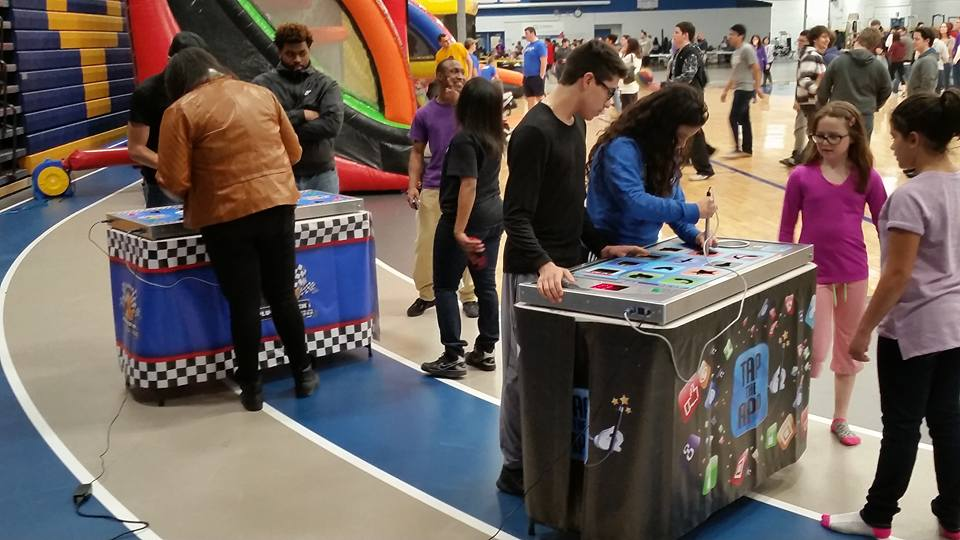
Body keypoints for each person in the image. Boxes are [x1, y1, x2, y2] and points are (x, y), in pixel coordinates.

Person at [497, 41, 643, 495]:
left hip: (569, 270)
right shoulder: (533, 133)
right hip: (532, 273)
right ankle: (514, 466)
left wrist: (602, 245)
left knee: (562, 372)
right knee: (522, 372)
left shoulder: (576, 124)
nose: (609, 102)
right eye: (609, 91)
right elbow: (515, 215)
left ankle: (555, 456)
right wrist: (544, 263)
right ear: (587, 80)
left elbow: (570, 204)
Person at [821, 89, 960, 540]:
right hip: (955, 328)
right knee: (948, 422)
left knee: (901, 425)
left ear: (915, 138)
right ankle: (954, 516)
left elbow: (897, 274)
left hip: (914, 330)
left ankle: (877, 516)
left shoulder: (911, 197)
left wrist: (862, 331)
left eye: (896, 137)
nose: (893, 147)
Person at [157, 48, 318, 412]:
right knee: (283, 295)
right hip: (277, 205)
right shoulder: (262, 94)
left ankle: (252, 389)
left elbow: (175, 179)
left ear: (179, 82)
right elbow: (294, 153)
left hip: (224, 217)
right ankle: (304, 373)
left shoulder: (180, 111)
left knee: (243, 303)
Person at [778, 102, 887, 449]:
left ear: (852, 136)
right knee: (813, 348)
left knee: (849, 350)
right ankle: (796, 414)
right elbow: (786, 229)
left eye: (834, 137)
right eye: (819, 135)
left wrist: (893, 268)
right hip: (814, 275)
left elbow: (885, 225)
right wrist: (786, 271)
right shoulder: (801, 176)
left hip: (854, 273)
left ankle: (841, 417)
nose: (825, 142)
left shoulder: (867, 177)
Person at [421, 78, 504, 379]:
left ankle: (453, 355)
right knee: (485, 284)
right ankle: (486, 350)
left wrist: (459, 231)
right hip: (493, 218)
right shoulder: (495, 137)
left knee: (445, 285)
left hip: (467, 221)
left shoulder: (465, 140)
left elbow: (468, 185)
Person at [586, 84, 717, 249]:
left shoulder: (664, 151)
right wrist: (693, 210)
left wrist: (695, 235)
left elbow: (672, 205)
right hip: (608, 249)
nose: (682, 145)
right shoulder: (621, 148)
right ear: (661, 127)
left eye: (688, 138)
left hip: (645, 249)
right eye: (680, 136)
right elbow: (634, 202)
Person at [406, 59, 479, 319]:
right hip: (434, 187)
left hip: (466, 187)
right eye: (453, 72)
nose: (459, 76)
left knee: (468, 240)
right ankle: (427, 294)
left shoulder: (472, 110)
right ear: (439, 77)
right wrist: (412, 185)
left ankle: (469, 295)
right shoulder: (424, 114)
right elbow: (417, 152)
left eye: (461, 71)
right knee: (426, 243)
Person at [254, 23, 344, 193]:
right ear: (279, 52)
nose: (297, 59)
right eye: (290, 54)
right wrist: (302, 114)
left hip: (323, 175)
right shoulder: (262, 85)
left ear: (309, 49)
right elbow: (260, 126)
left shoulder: (326, 85)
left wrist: (283, 126)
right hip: (280, 174)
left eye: (302, 53)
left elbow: (332, 125)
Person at [128, 32, 208, 208]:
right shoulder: (148, 93)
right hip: (164, 185)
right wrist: (175, 167)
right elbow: (136, 149)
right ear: (171, 61)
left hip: (204, 182)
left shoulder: (205, 89)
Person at [816, 28, 892, 139]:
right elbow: (887, 89)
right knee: (861, 148)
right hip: (864, 115)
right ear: (875, 45)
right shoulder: (879, 66)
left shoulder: (838, 62)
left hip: (839, 113)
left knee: (837, 146)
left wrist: (822, 108)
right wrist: (874, 105)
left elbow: (823, 89)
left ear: (857, 39)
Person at [663, 21, 715, 180]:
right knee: (689, 130)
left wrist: (666, 84)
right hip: (682, 96)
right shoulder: (680, 51)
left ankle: (704, 168)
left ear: (685, 35)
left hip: (691, 97)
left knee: (691, 131)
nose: (673, 35)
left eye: (676, 32)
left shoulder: (691, 51)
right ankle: (699, 156)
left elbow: (688, 76)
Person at [721, 24, 764, 158]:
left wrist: (757, 87)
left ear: (740, 36)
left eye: (732, 34)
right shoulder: (736, 52)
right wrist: (726, 90)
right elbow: (735, 74)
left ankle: (738, 149)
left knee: (733, 118)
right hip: (739, 89)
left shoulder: (747, 49)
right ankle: (746, 149)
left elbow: (756, 68)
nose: (729, 37)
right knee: (744, 119)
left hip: (745, 89)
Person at [781, 30, 811, 168]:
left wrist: (799, 99)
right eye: (798, 40)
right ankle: (799, 153)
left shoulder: (810, 58)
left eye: (802, 41)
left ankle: (799, 155)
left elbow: (806, 81)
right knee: (801, 127)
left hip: (809, 100)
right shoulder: (803, 57)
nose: (799, 43)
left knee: (802, 128)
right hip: (804, 98)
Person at [521, 26, 548, 110]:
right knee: (529, 98)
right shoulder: (528, 46)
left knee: (540, 98)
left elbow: (544, 60)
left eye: (527, 33)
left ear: (532, 33)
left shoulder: (540, 45)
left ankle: (546, 114)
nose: (525, 36)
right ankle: (531, 116)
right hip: (527, 77)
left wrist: (541, 75)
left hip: (536, 76)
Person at [908, 26, 939, 96]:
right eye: (913, 39)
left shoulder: (928, 60)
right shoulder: (922, 58)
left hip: (920, 100)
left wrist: (921, 101)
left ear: (927, 41)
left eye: (917, 39)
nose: (913, 42)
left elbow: (928, 86)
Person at [618, 37, 642, 109]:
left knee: (626, 109)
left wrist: (621, 52)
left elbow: (617, 63)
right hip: (634, 85)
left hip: (627, 87)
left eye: (626, 43)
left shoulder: (630, 56)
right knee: (632, 108)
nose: (624, 45)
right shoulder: (638, 55)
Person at [887, 28, 908, 94]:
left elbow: (889, 52)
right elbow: (904, 52)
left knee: (890, 74)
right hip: (901, 61)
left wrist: (886, 55)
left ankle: (891, 89)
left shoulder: (894, 44)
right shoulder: (902, 44)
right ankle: (904, 88)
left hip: (894, 61)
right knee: (901, 75)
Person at [936, 23, 954, 91]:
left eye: (944, 27)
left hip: (946, 62)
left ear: (948, 29)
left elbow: (949, 52)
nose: (942, 28)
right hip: (937, 62)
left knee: (945, 81)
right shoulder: (937, 39)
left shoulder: (951, 39)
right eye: (941, 27)